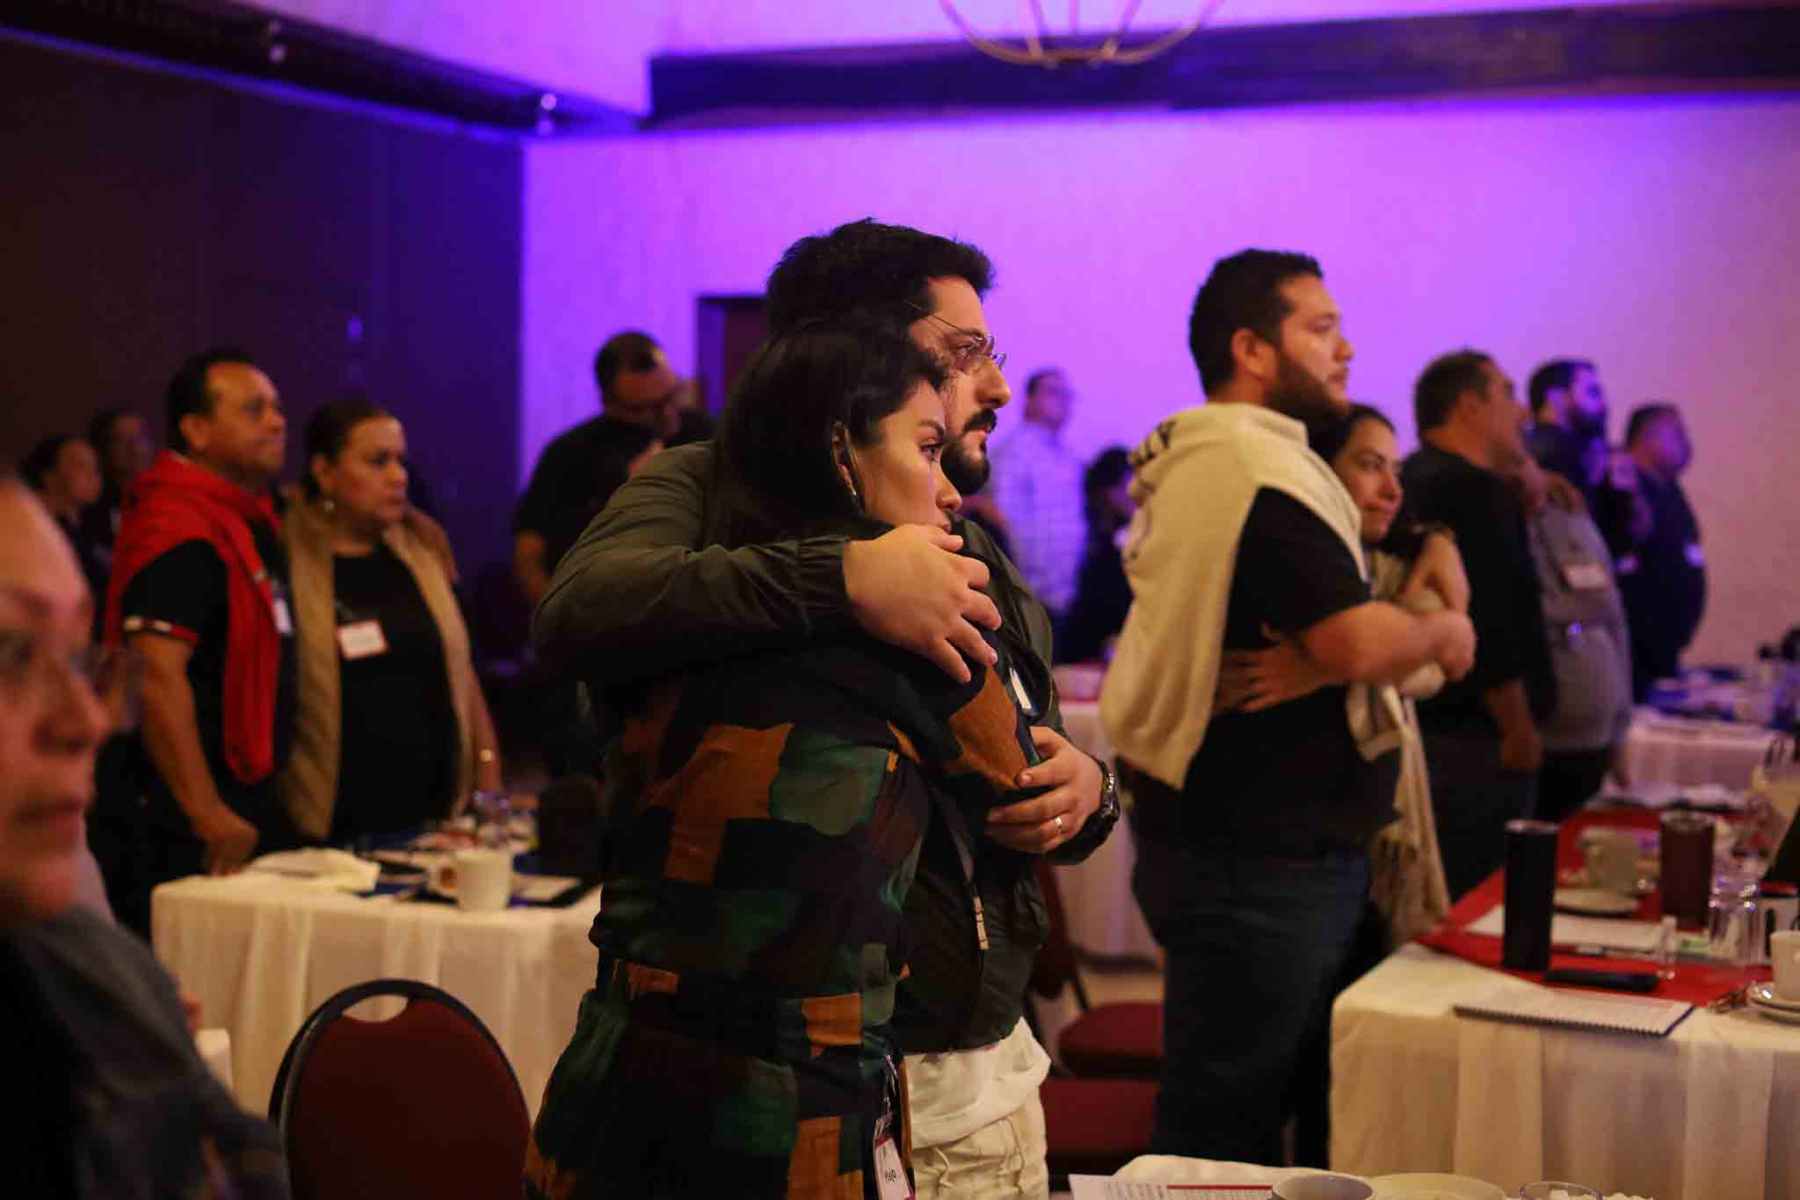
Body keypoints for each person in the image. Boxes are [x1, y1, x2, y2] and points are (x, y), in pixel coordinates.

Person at [534, 219, 1115, 1198]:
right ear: (859, 367)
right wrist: (847, 575)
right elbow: (574, 615)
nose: (995, 387)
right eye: (963, 353)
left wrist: (1093, 789)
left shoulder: (961, 544)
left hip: (943, 1067)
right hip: (827, 1080)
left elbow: (1030, 760)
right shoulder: (702, 490)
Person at [1101, 250, 1476, 1165]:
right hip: (1258, 866)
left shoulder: (1228, 462)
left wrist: (1427, 551)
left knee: (1267, 1114)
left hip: (1254, 854)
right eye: (1320, 328)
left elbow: (1333, 610)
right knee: (1220, 1133)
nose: (1345, 349)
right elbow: (1353, 643)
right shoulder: (1254, 469)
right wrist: (1443, 630)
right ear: (1252, 349)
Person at [0, 476, 289, 1198]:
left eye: (76, 658)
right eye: (9, 655)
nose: (87, 722)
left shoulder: (98, 964)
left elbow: (244, 1156)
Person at [1226, 406, 1456, 948]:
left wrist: (1326, 665)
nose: (1391, 490)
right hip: (1276, 837)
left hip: (1377, 824)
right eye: (1371, 466)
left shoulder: (1399, 561)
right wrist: (1408, 640)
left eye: (1396, 471)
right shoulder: (1278, 561)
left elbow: (1437, 668)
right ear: (1319, 472)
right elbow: (1429, 651)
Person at [90, 348, 297, 934]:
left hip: (241, 799)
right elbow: (156, 676)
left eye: (277, 408)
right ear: (197, 430)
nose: (276, 422)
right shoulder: (178, 527)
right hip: (184, 824)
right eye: (254, 410)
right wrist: (205, 810)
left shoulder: (244, 518)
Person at [279, 401, 502, 845]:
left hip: (436, 819)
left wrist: (488, 770)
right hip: (333, 824)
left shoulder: (421, 550)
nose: (398, 476)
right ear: (325, 472)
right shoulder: (287, 558)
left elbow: (461, 672)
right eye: (378, 462)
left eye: (401, 461)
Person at [1401, 350, 1557, 900]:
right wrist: (1517, 725)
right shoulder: (1475, 491)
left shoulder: (1411, 479)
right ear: (1469, 406)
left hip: (1429, 730)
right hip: (1479, 740)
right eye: (1508, 394)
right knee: (1482, 903)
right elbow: (1493, 617)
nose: (1523, 412)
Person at [513, 331, 679, 606]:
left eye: (671, 398)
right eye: (646, 409)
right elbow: (528, 556)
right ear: (608, 402)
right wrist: (558, 619)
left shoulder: (703, 434)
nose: (668, 414)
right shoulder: (569, 454)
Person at [1513, 449, 1634, 823]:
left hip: (1596, 731)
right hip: (1540, 739)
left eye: (1528, 461)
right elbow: (1513, 613)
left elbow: (1613, 616)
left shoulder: (1571, 515)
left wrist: (1621, 727)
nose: (1526, 470)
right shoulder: (1497, 526)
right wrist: (1578, 609)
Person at [1616, 403, 1705, 699]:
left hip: (1667, 651)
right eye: (1677, 433)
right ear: (1647, 437)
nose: (1686, 443)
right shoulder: (1624, 492)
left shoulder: (1670, 490)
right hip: (1633, 658)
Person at [985, 368, 1086, 619]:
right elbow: (1006, 523)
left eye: (1066, 394)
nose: (1062, 401)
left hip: (1063, 595)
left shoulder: (1069, 458)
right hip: (1024, 594)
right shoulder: (1013, 452)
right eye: (1053, 392)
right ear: (1029, 400)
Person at [1523, 359, 1644, 553]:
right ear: (1556, 397)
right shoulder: (1553, 451)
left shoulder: (1586, 453)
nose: (1603, 405)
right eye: (1592, 393)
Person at [1055, 446, 1135, 664]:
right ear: (1108, 492)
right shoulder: (1100, 547)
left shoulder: (1117, 541)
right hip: (1090, 651)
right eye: (1126, 485)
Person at [21, 434, 108, 599]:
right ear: (49, 476)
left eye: (95, 467)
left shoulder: (92, 526)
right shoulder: (36, 529)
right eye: (80, 466)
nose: (93, 474)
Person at [79, 409, 154, 557]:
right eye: (120, 440)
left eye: (140, 439)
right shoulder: (88, 506)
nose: (134, 448)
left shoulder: (169, 497)